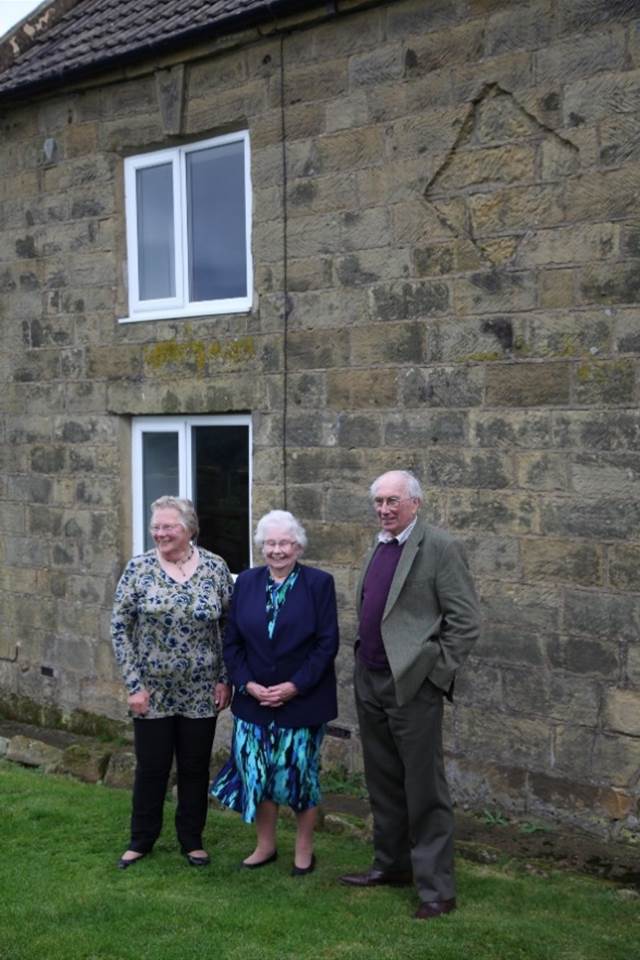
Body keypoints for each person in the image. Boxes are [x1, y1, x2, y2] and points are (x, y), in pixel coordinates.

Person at [339, 470, 480, 920]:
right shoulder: (380, 544)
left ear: (415, 503)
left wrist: (434, 675)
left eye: (393, 501)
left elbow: (465, 621)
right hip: (370, 679)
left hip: (412, 686)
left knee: (424, 789)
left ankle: (437, 889)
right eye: (378, 501)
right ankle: (392, 865)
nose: (384, 509)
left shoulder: (440, 548)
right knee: (382, 781)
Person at [211, 509, 339, 876]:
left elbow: (326, 644)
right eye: (270, 543)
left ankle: (303, 849)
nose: (277, 550)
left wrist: (294, 686)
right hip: (254, 703)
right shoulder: (247, 582)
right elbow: (232, 642)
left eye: (285, 542)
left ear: (298, 546)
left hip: (302, 703)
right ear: (260, 546)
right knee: (258, 777)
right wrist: (247, 684)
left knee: (299, 777)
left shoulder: (319, 584)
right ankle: (264, 846)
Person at [111, 495, 234, 869]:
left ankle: (191, 840)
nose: (160, 533)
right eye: (156, 527)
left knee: (195, 767)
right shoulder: (139, 568)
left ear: (189, 529)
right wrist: (133, 685)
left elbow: (230, 626)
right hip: (153, 691)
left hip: (201, 690)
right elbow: (119, 627)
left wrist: (225, 679)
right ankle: (141, 840)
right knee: (152, 767)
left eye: (168, 527)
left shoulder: (215, 567)